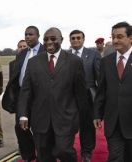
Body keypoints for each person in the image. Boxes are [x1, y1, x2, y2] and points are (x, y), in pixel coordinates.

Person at [18, 27, 87, 162]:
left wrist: (81, 117)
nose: (49, 42)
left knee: (63, 150)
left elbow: (81, 93)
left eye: (53, 39)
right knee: (43, 155)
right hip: (40, 119)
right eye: (46, 39)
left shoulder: (74, 61)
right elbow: (26, 91)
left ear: (61, 40)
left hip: (65, 118)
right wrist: (23, 114)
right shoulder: (34, 62)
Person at [2, 26, 45, 162]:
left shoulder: (45, 52)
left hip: (40, 97)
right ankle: (28, 156)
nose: (27, 37)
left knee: (40, 129)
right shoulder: (21, 54)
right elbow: (15, 77)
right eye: (26, 34)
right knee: (20, 128)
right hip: (23, 96)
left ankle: (43, 156)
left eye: (31, 34)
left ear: (38, 35)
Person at [93, 21, 132, 162]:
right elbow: (102, 90)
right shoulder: (106, 61)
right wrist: (97, 113)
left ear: (131, 38)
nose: (115, 40)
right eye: (113, 36)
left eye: (120, 36)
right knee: (115, 157)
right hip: (113, 121)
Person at [69, 30, 101, 162]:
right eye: (73, 38)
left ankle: (86, 153)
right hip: (69, 96)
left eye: (78, 38)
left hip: (88, 95)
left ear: (83, 39)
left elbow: (99, 77)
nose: (76, 40)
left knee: (87, 126)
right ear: (69, 40)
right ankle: (67, 150)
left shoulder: (93, 54)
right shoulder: (64, 55)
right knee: (68, 124)